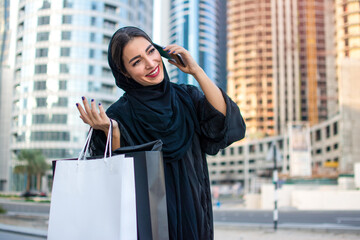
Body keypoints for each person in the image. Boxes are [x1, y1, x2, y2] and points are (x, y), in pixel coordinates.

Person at [76, 26, 245, 240]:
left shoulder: (185, 97)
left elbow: (223, 122)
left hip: (193, 219)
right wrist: (112, 131)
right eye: (136, 62)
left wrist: (196, 71)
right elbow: (119, 181)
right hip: (147, 226)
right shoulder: (118, 115)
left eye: (150, 51)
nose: (150, 63)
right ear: (125, 73)